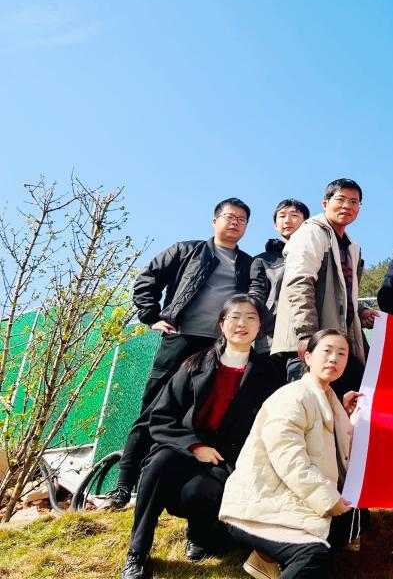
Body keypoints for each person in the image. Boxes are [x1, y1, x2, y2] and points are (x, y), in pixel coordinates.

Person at [112, 198, 266, 509]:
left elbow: (256, 296)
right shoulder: (186, 250)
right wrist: (151, 316)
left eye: (242, 220)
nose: (235, 223)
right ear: (214, 220)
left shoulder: (250, 264)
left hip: (219, 348)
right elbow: (147, 278)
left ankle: (182, 484)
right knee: (154, 409)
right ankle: (124, 485)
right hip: (180, 339)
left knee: (205, 415)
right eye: (230, 217)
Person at [120, 294, 281, 579]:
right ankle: (137, 553)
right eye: (234, 317)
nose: (242, 324)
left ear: (260, 327)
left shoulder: (268, 375)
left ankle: (200, 533)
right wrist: (194, 446)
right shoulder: (194, 363)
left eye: (251, 318)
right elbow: (161, 416)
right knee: (156, 466)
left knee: (197, 493)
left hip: (228, 457)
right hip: (184, 446)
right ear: (221, 324)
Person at [220, 328, 361, 579]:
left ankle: (264, 559)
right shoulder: (292, 397)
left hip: (293, 497)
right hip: (262, 502)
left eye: (342, 354)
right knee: (314, 557)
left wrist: (346, 415)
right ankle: (279, 554)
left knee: (357, 518)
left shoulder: (328, 398)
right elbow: (290, 460)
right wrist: (329, 500)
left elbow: (336, 451)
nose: (334, 358)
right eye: (327, 351)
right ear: (308, 357)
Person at [272, 179, 376, 395]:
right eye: (341, 199)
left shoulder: (351, 247)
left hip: (339, 345)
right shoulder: (311, 232)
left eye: (354, 201)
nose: (347, 206)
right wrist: (307, 334)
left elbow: (341, 294)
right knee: (307, 408)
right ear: (325, 203)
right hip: (311, 343)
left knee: (346, 408)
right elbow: (299, 282)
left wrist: (360, 311)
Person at [251, 199, 310, 356]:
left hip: (309, 339)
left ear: (306, 222)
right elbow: (256, 295)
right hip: (271, 340)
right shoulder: (262, 260)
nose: (287, 220)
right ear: (275, 225)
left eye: (294, 215)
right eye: (282, 216)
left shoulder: (317, 254)